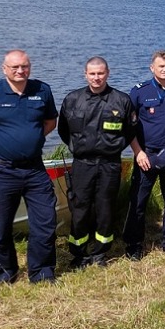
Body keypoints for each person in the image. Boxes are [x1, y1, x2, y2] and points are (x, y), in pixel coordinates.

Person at [0, 49, 59, 284]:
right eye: (15, 67)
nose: (20, 71)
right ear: (4, 68)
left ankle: (42, 272)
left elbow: (50, 122)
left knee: (45, 221)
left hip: (35, 169)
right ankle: (5, 273)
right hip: (2, 171)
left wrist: (32, 140)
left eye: (24, 66)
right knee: (1, 225)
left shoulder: (42, 91)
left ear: (30, 67)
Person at [57, 56, 135, 268]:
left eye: (100, 73)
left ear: (107, 73)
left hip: (110, 163)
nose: (96, 77)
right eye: (92, 73)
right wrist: (81, 147)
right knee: (80, 207)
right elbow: (63, 130)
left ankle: (100, 253)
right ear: (85, 74)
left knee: (105, 207)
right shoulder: (73, 99)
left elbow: (129, 132)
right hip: (82, 163)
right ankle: (79, 253)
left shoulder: (122, 100)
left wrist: (112, 148)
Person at [123, 50, 165, 259]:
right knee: (138, 202)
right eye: (161, 66)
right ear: (152, 68)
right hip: (146, 156)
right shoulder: (139, 92)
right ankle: (134, 245)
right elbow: (128, 126)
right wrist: (138, 152)